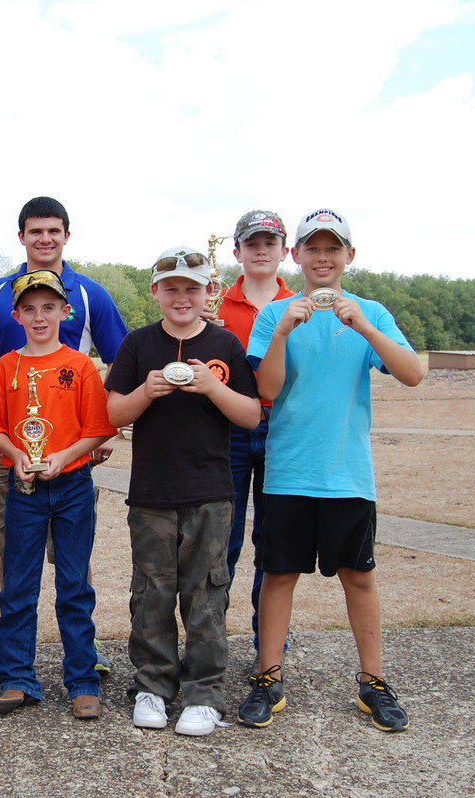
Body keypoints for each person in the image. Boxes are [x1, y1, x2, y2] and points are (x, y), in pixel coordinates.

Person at [239, 209, 423, 732]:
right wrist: (283, 332)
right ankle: (268, 677)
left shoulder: (370, 312)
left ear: (349, 256)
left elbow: (412, 374)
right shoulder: (276, 313)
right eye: (312, 250)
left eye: (332, 250)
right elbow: (268, 391)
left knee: (359, 577)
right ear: (295, 256)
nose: (322, 259)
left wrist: (362, 325)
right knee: (278, 576)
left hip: (347, 473)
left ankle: (372, 683)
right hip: (289, 471)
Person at [0, 196, 128, 676]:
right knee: (10, 546)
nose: (45, 238)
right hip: (11, 442)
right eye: (35, 231)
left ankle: (83, 649)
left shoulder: (89, 295)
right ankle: (9, 647)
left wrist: (99, 423)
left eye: (54, 230)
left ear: (67, 235)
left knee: (72, 553)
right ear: (21, 236)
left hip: (71, 445)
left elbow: (121, 361)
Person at [106, 247, 261, 735]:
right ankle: (152, 686)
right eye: (170, 287)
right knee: (151, 594)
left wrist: (212, 387)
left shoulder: (226, 345)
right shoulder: (137, 346)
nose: (181, 297)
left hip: (211, 493)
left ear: (208, 292)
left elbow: (252, 415)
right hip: (151, 493)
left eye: (192, 288)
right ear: (155, 292)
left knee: (207, 595)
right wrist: (145, 392)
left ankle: (204, 692)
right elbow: (113, 415)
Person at [0, 270, 117, 720]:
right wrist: (16, 453)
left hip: (72, 485)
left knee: (74, 585)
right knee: (18, 584)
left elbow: (97, 429)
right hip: (24, 487)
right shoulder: (6, 366)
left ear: (64, 311)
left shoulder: (80, 366)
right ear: (15, 315)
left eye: (48, 307)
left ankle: (82, 679)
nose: (39, 317)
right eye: (29, 309)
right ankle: (17, 677)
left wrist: (65, 456)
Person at [217, 211, 295, 652]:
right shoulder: (215, 305)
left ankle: (268, 647)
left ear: (285, 251)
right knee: (219, 540)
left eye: (270, 242)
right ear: (237, 252)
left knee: (274, 541)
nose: (261, 250)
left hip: (284, 431)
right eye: (252, 243)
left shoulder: (302, 304)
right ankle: (210, 643)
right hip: (227, 430)